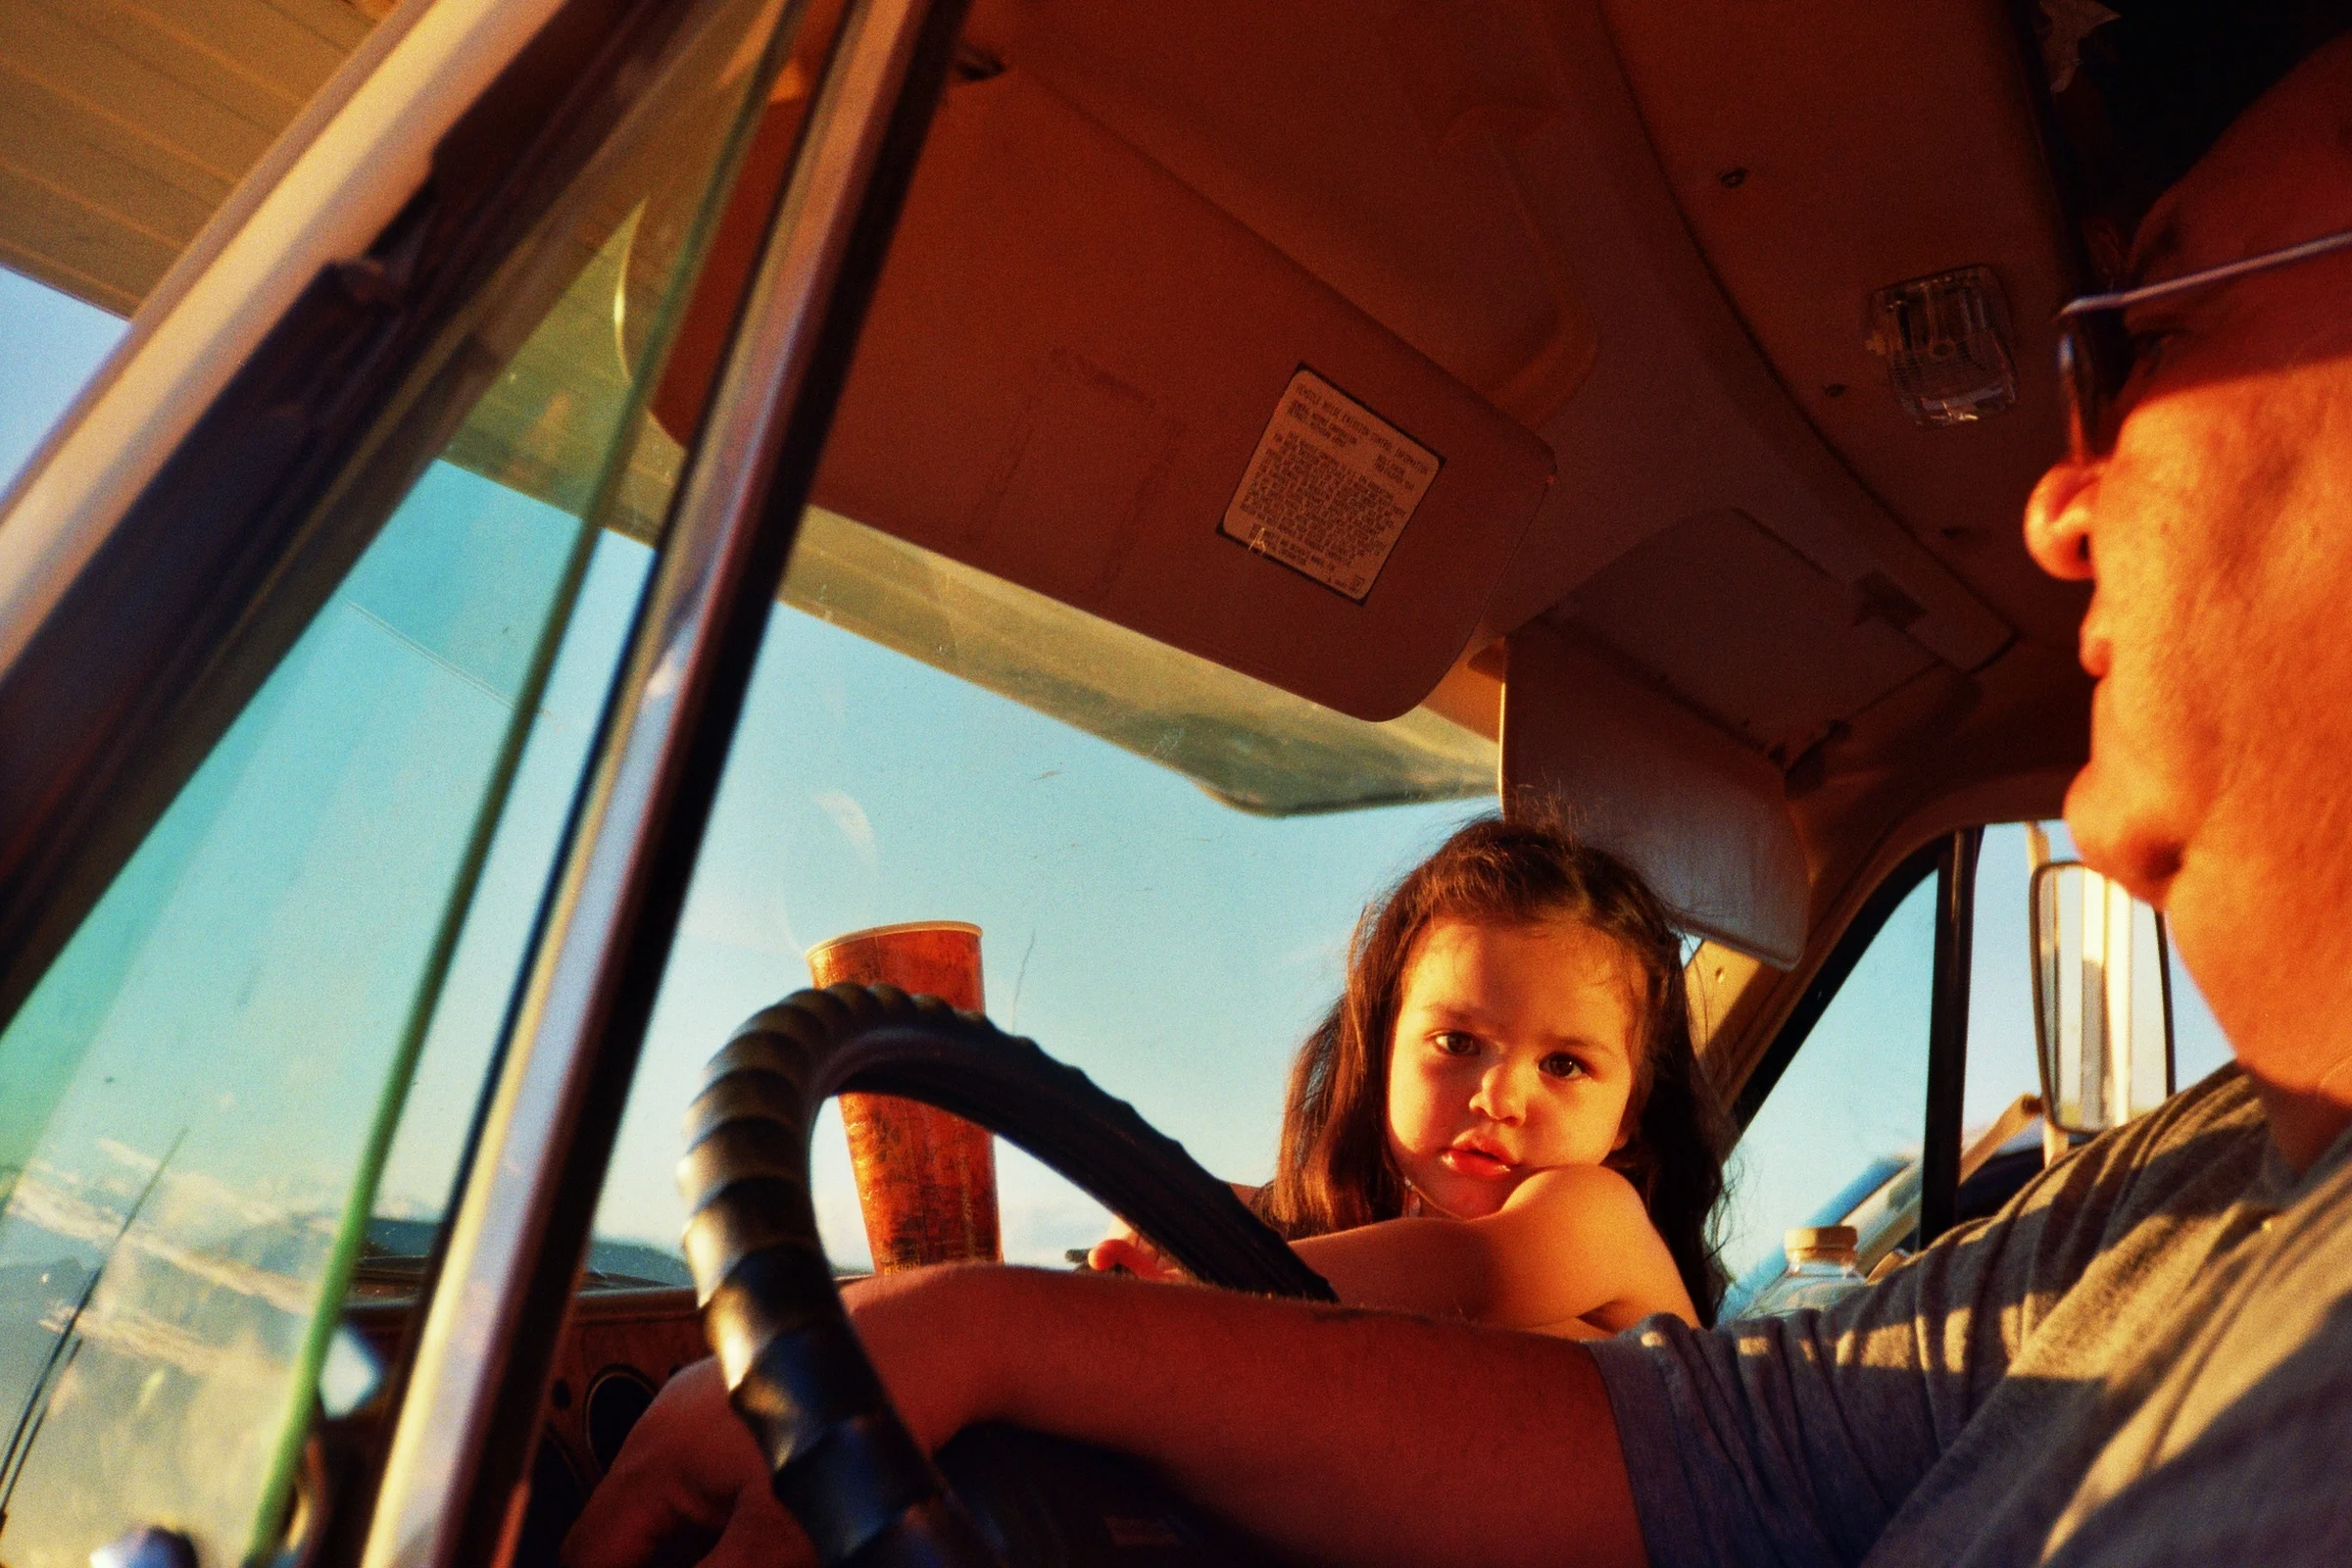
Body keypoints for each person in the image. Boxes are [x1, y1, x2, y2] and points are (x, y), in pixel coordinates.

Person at [567, 34, 2352, 1568]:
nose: (2056, 506)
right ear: (1369, 1048)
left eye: (2145, 342)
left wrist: (1043, 1327)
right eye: (1456, 1045)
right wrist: (990, 1324)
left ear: (1645, 1099)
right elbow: (1726, 1464)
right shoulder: (2179, 1194)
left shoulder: (1577, 1234)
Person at [1086, 818, 1730, 1336]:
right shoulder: (1386, 1238)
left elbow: (1477, 1271)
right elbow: (1272, 1208)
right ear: (1381, 1053)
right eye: (1457, 1043)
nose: (1499, 1098)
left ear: (1629, 1115)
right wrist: (1160, 1216)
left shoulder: (1597, 1220)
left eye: (1564, 1065)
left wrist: (1196, 1285)